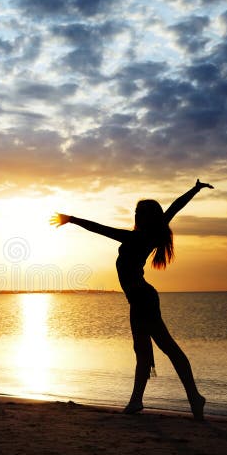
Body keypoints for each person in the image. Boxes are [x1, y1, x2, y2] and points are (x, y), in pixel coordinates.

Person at [50, 179, 213, 420]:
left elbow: (101, 229)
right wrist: (195, 189)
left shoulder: (138, 239)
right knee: (143, 352)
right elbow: (174, 208)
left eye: (141, 213)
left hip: (143, 299)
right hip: (138, 299)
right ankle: (138, 401)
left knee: (167, 347)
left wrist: (72, 220)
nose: (137, 215)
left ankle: (193, 397)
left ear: (149, 217)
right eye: (136, 212)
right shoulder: (146, 235)